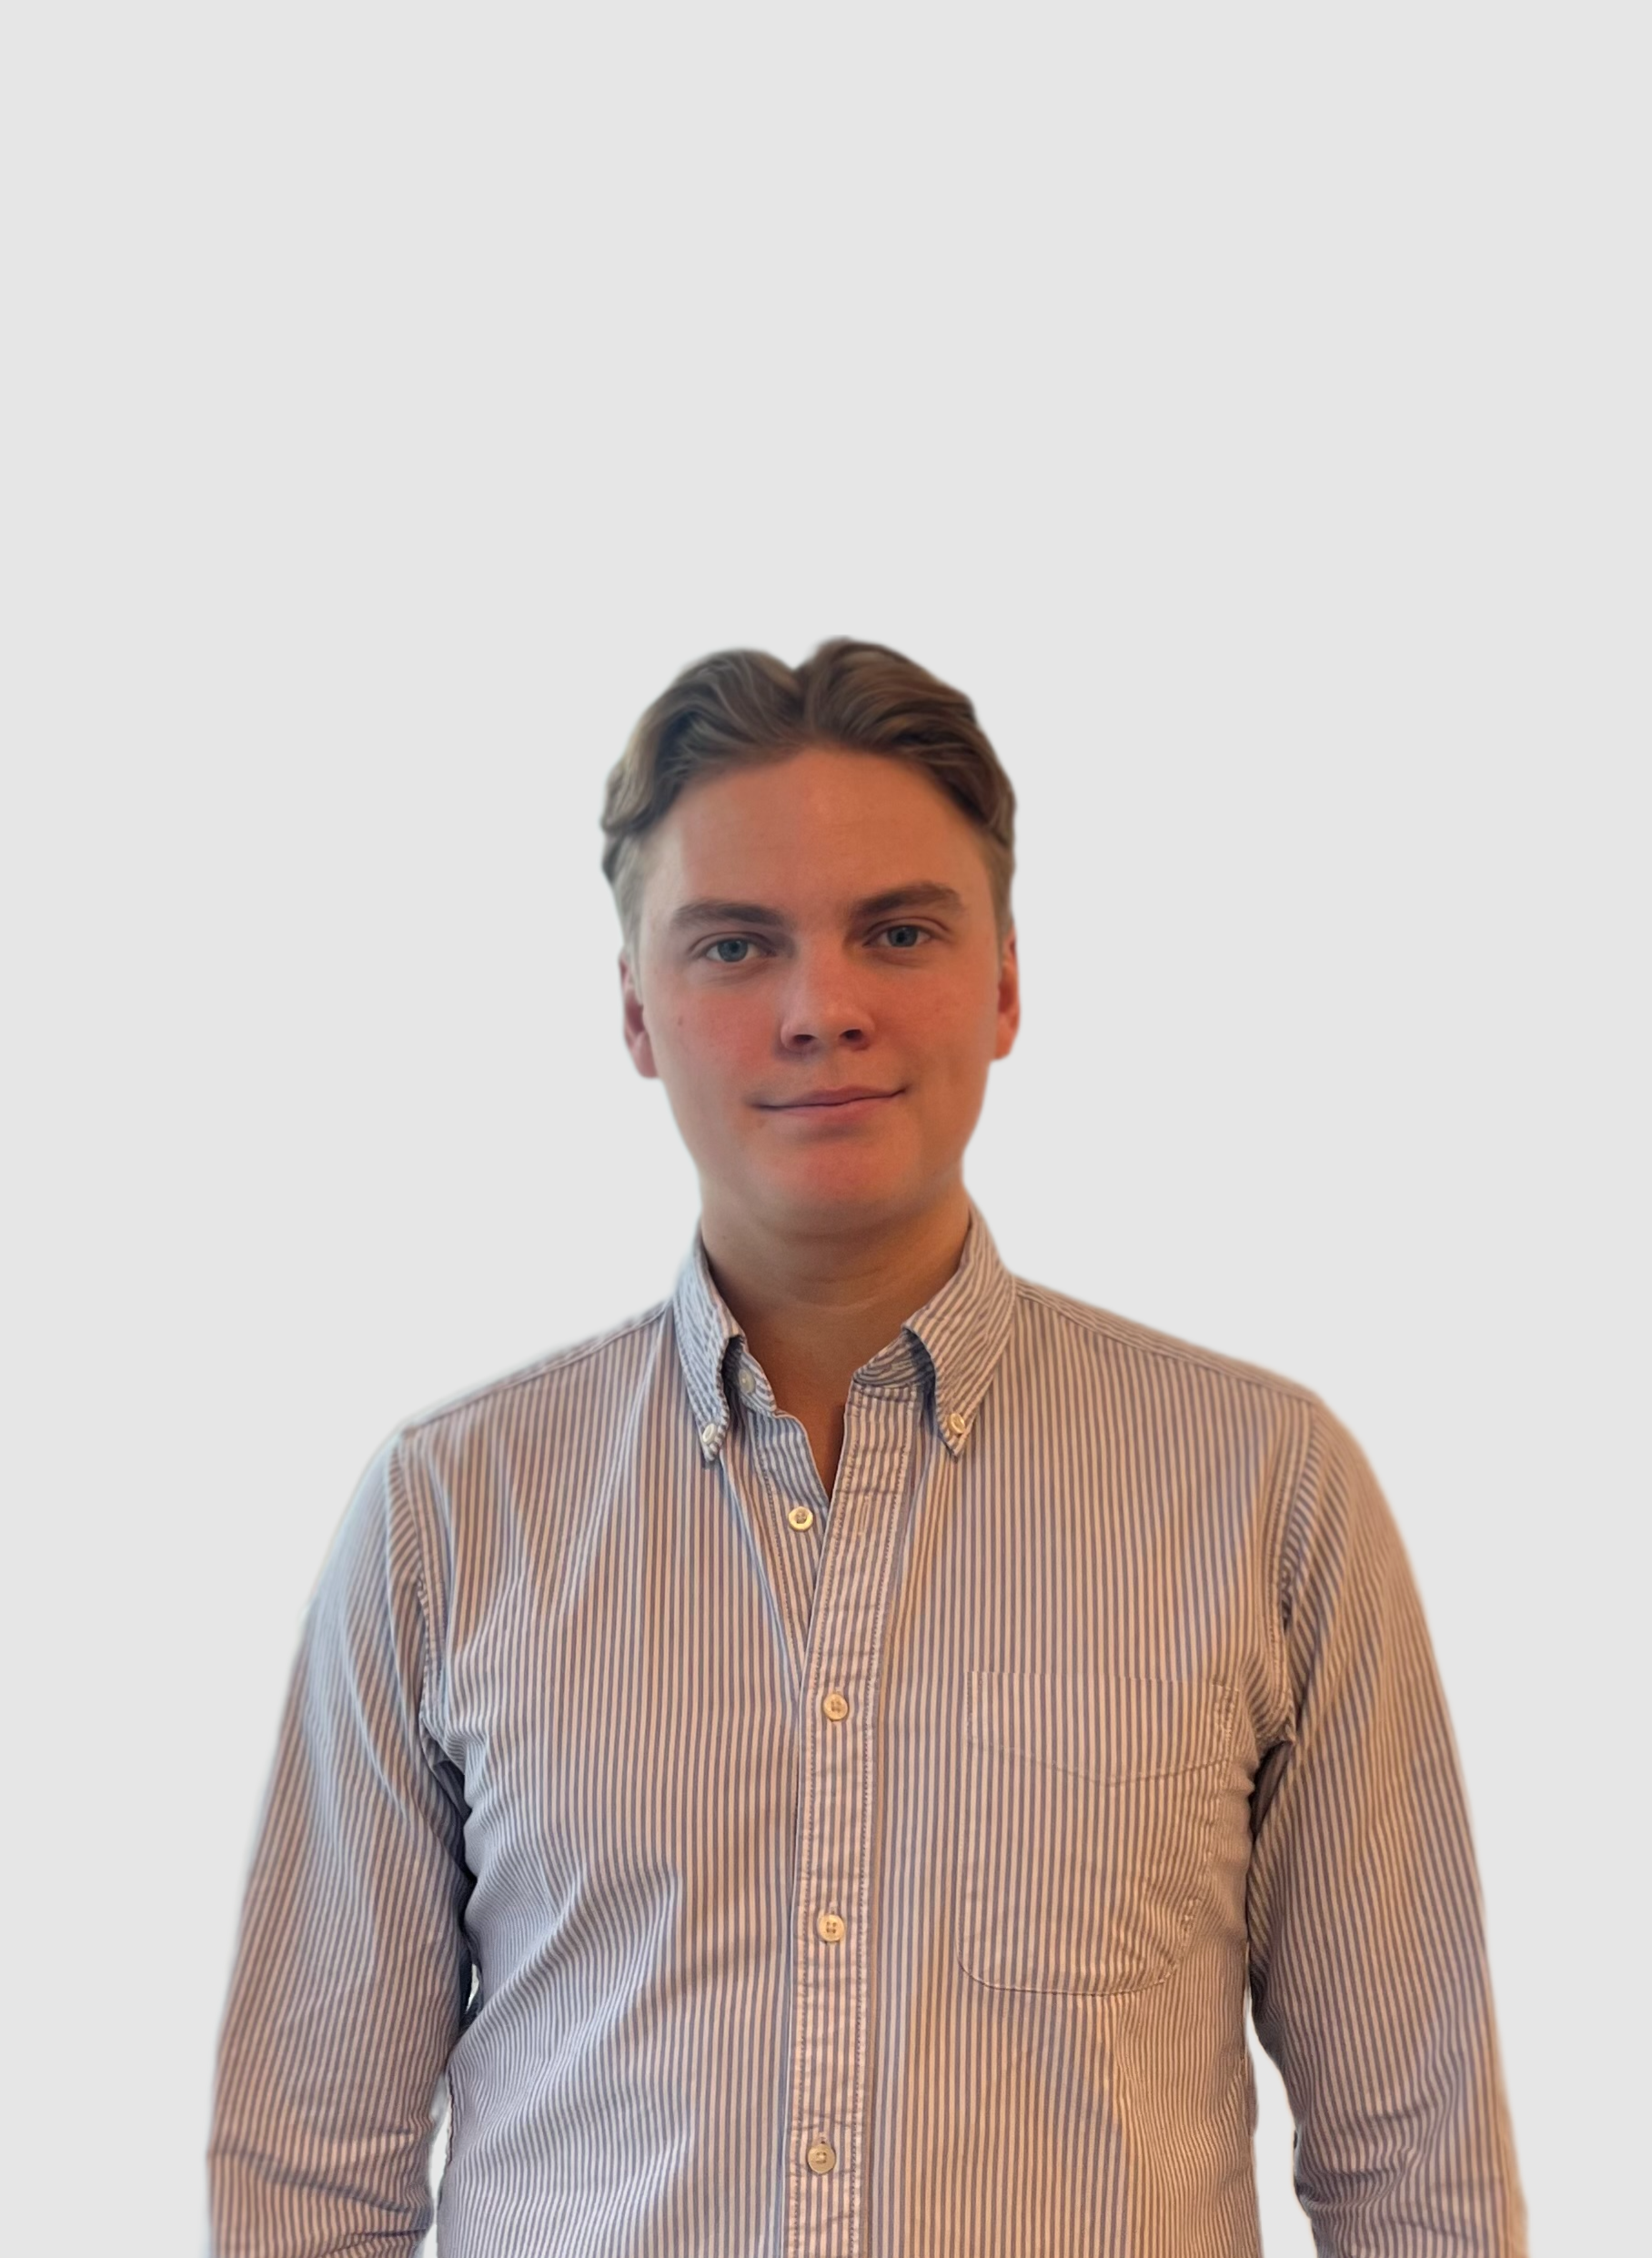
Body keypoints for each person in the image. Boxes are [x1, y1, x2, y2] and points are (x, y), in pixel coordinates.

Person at [206, 638, 1527, 2256]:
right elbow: (310, 2174)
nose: (820, 1008)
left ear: (1007, 982)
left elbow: (1416, 2170)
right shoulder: (445, 1517)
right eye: (734, 945)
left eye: (896, 931)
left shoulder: (1264, 1494)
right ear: (635, 1009)